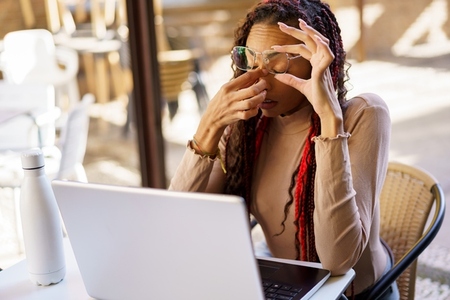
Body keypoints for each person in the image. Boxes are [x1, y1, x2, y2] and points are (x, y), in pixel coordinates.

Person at [169, 0, 399, 299]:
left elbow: (338, 261)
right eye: (251, 64)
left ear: (319, 63)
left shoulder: (364, 115)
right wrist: (209, 127)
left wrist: (330, 121)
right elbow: (175, 224)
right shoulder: (246, 128)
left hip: (359, 295)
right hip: (289, 288)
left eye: (279, 64)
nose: (260, 79)